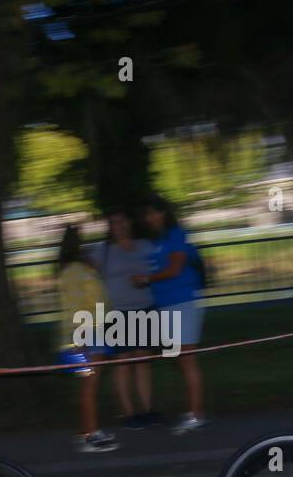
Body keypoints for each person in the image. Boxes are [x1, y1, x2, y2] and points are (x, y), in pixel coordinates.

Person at [133, 194, 207, 434]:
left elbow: (175, 268)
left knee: (186, 359)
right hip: (167, 304)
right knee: (179, 358)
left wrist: (147, 279)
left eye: (150, 213)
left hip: (182, 301)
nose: (147, 218)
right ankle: (194, 411)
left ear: (161, 213)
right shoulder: (160, 238)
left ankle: (196, 414)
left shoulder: (175, 234)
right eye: (145, 215)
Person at [92, 208, 158, 429]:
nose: (118, 226)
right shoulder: (103, 250)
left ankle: (147, 410)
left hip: (145, 309)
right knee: (123, 364)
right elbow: (88, 276)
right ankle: (129, 413)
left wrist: (146, 280)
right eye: (113, 223)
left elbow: (158, 270)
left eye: (121, 221)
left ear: (129, 223)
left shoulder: (144, 246)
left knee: (143, 362)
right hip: (117, 312)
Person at [56, 224, 119, 453]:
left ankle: (88, 431)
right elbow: (75, 305)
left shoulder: (79, 268)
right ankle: (91, 434)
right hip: (85, 334)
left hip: (93, 331)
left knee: (89, 384)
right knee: (89, 384)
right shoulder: (74, 270)